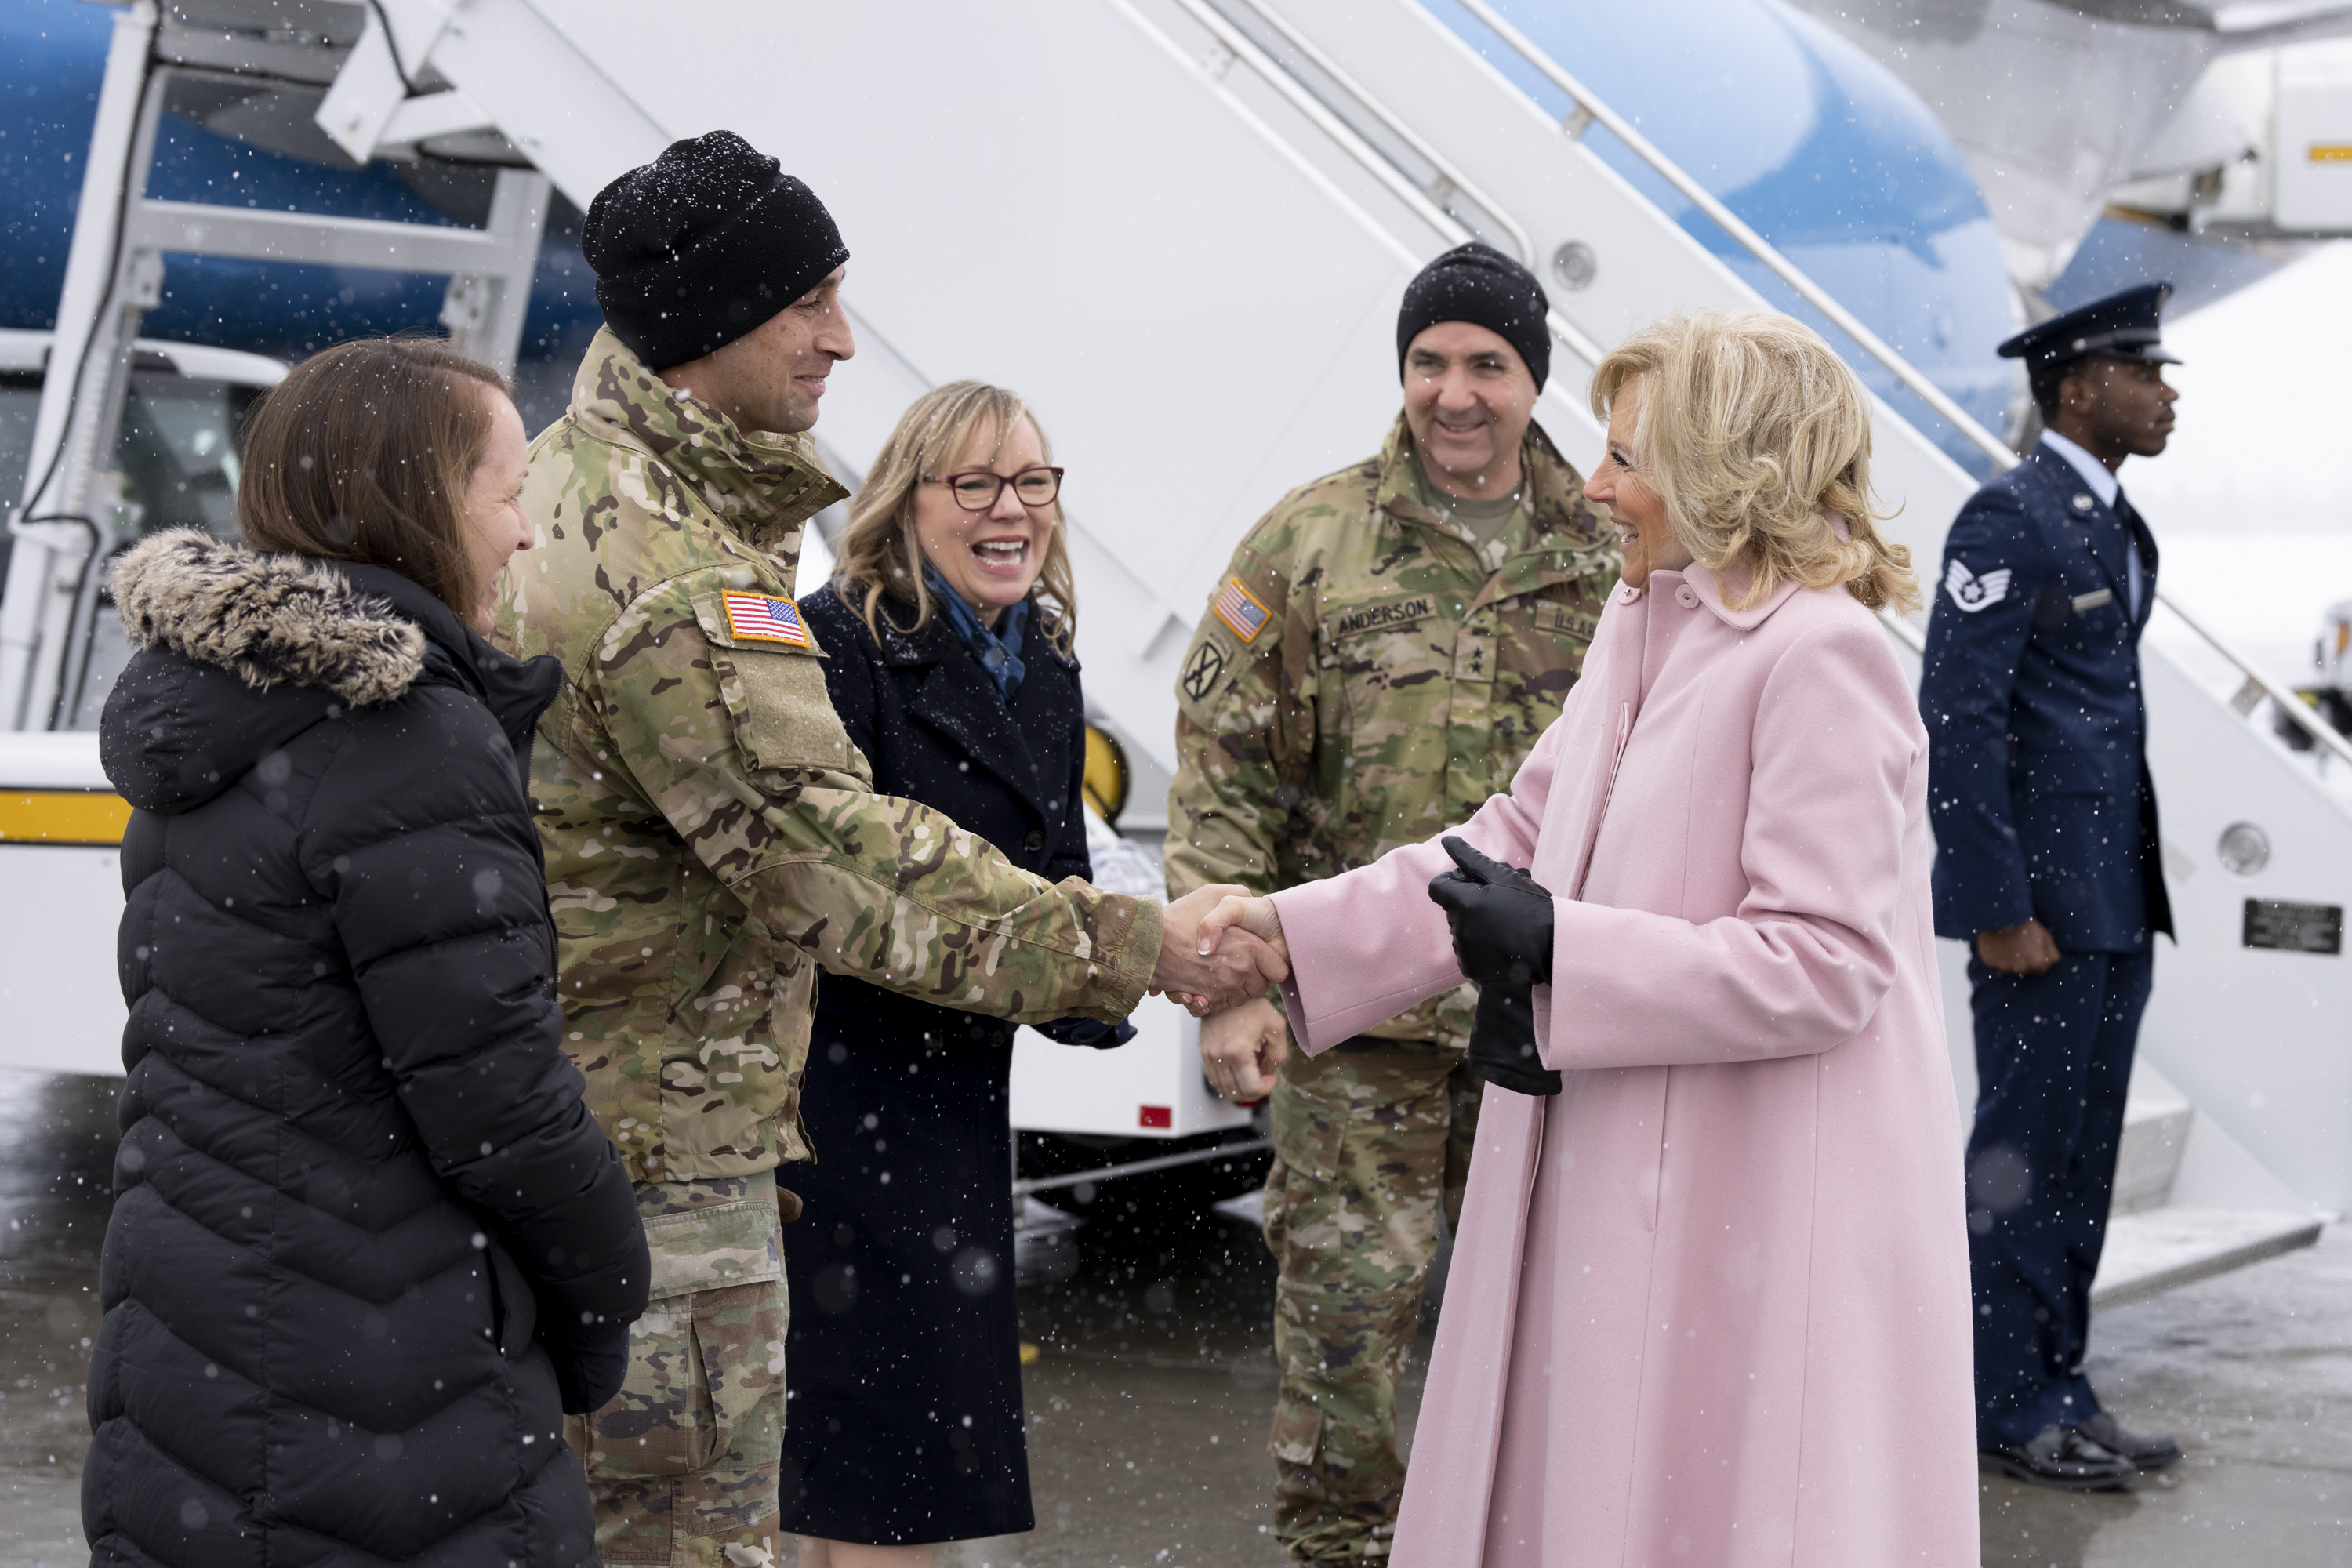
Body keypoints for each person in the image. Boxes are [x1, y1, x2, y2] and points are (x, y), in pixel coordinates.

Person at [496, 131, 1279, 1568]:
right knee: (699, 1527)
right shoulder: (666, 572)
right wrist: (1145, 949)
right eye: (812, 306)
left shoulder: (591, 492)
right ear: (719, 315)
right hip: (681, 1138)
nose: (841, 341)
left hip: (676, 1121)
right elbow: (838, 857)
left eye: (1033, 480)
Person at [1200, 310, 1980, 1567]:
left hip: (1760, 1196)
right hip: (1641, 1171)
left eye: (1630, 458)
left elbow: (1827, 964)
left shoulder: (1823, 655)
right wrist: (1282, 937)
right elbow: (1513, 834)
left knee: (1719, 1505)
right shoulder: (1648, 619)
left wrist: (1564, 948)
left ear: (1731, 467)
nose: (1600, 486)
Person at [87, 339, 648, 1566]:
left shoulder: (219, 710)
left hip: (192, 1354)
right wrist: (604, 1314)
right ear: (419, 506)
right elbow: (504, 1108)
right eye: (509, 494)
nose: (522, 536)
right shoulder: (404, 738)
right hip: (386, 1389)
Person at [1163, 240, 1616, 1564]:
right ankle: (1339, 1551)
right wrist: (1232, 983)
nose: (1455, 393)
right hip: (1353, 1025)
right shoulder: (1311, 539)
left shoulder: (1611, 553)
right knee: (1346, 1333)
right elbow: (1227, 773)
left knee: (1550, 1325)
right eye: (1430, 362)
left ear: (1536, 380)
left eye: (1488, 363)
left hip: (1549, 1023)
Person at [781, 381, 1119, 1563]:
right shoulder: (839, 646)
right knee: (878, 1472)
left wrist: (1128, 986)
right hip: (841, 1105)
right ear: (908, 502)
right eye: (972, 484)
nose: (1009, 509)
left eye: (1032, 481)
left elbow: (1059, 875)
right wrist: (1107, 959)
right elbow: (851, 895)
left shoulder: (1047, 662)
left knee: (886, 1472)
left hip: (956, 1111)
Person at [1922, 282, 2183, 1490]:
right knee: (2019, 1160)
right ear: (2080, 387)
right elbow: (1960, 719)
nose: (2168, 392)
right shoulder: (2009, 518)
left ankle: (2062, 1386)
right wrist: (1993, 907)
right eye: (2149, 372)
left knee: (2080, 1161)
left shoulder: (2116, 525)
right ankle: (2004, 1401)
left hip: (2116, 906)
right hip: (2038, 915)